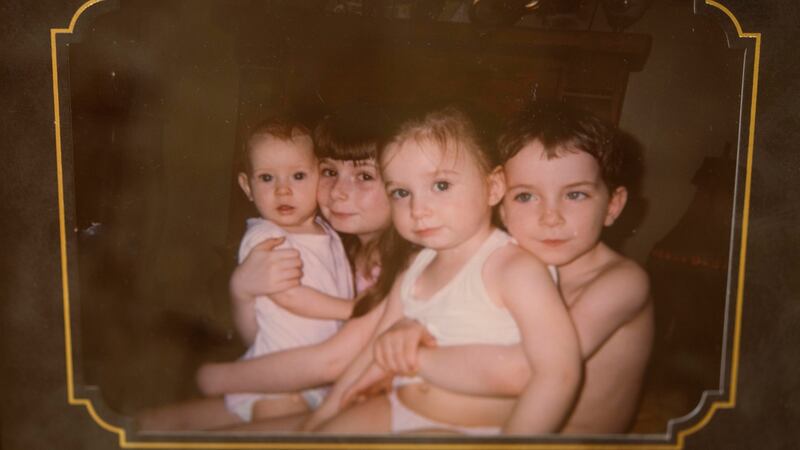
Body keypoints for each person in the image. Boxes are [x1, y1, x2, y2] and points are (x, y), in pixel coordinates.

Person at [372, 101, 654, 434]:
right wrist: (410, 324)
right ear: (499, 203)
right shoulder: (512, 265)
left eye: (575, 195)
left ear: (613, 205)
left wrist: (411, 355)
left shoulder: (622, 282)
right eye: (525, 197)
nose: (551, 217)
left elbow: (527, 369)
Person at [304, 105, 583, 435]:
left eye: (440, 186)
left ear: (493, 188)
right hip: (397, 408)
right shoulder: (413, 267)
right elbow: (374, 347)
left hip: (467, 432)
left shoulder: (514, 268)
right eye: (401, 192)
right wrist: (323, 416)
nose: (418, 209)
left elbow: (559, 374)